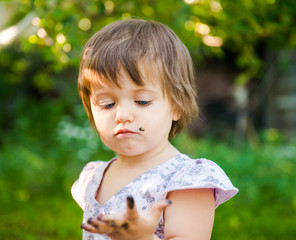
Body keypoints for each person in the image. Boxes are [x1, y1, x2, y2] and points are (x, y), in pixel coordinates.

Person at [71, 19, 238, 240]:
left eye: (142, 101)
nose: (122, 115)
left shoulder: (185, 181)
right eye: (107, 104)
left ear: (177, 106)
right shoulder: (94, 177)